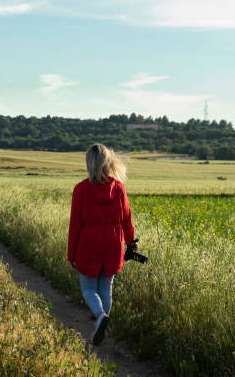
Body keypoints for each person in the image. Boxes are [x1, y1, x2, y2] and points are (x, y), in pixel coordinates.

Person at [67, 143, 137, 345]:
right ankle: (102, 325)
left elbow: (75, 225)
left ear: (89, 163)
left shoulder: (80, 189)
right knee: (106, 287)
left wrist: (71, 254)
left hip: (89, 243)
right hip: (114, 243)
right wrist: (131, 241)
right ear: (108, 162)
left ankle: (100, 317)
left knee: (88, 287)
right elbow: (127, 219)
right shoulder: (119, 188)